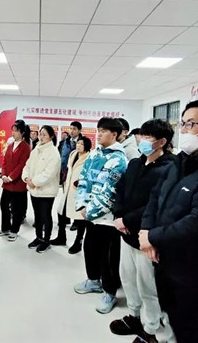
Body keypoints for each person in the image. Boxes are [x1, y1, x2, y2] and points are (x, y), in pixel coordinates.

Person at [139, 99, 198, 343]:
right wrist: (146, 230)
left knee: (188, 330)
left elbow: (196, 225)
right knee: (170, 317)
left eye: (190, 124)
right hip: (164, 260)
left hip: (191, 272)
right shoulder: (179, 162)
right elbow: (156, 197)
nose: (183, 130)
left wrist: (152, 237)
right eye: (181, 124)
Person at [110, 119, 176, 343]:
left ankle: (151, 328)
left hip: (146, 237)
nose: (142, 140)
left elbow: (156, 204)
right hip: (125, 233)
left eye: (148, 137)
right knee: (127, 277)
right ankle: (134, 315)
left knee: (148, 285)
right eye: (142, 136)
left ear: (162, 142)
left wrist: (127, 219)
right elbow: (120, 189)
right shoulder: (136, 164)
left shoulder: (170, 168)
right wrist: (118, 215)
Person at [73, 117, 127, 314]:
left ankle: (110, 292)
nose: (99, 134)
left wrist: (91, 211)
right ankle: (93, 280)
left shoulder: (119, 160)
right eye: (98, 130)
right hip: (90, 215)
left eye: (103, 131)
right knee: (90, 249)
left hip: (107, 219)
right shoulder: (95, 154)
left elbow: (110, 192)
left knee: (108, 258)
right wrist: (82, 205)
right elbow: (84, 179)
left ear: (114, 134)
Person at [22, 126, 61, 253]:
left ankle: (46, 240)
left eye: (44, 134)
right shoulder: (36, 149)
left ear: (51, 136)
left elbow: (49, 174)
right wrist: (26, 178)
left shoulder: (54, 153)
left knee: (45, 216)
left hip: (46, 191)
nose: (41, 137)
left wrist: (34, 182)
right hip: (34, 190)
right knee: (37, 216)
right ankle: (39, 237)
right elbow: (27, 166)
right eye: (40, 134)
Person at [51, 136, 92, 253]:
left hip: (80, 192)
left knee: (80, 218)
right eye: (78, 143)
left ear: (87, 146)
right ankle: (61, 237)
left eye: (82, 144)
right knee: (61, 213)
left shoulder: (90, 158)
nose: (79, 145)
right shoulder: (73, 154)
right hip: (68, 189)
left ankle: (78, 241)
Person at [0, 120, 31, 242]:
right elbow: (5, 162)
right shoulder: (10, 145)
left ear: (22, 132)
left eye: (16, 131)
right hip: (6, 183)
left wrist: (10, 177)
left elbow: (22, 165)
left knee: (16, 208)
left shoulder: (26, 147)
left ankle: (14, 230)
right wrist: (3, 175)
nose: (13, 133)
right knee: (4, 205)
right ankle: (5, 228)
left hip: (17, 183)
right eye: (13, 131)